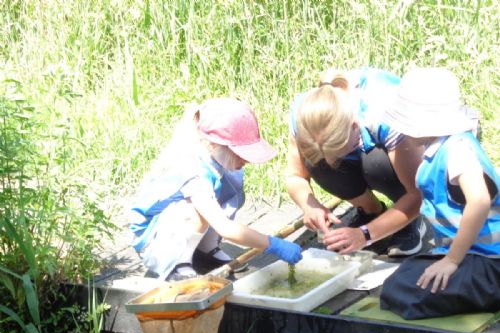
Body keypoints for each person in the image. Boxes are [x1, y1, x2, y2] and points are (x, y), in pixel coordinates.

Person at [129, 97, 302, 281]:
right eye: (239, 153)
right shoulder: (192, 171)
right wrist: (272, 244)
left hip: (175, 229)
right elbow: (225, 227)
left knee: (231, 186)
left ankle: (205, 251)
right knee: (194, 213)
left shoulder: (213, 161)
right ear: (213, 143)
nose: (246, 160)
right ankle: (176, 264)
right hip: (154, 240)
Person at [380, 67, 500, 319]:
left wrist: (452, 260)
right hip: (472, 254)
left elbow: (478, 201)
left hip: (490, 262)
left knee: (406, 292)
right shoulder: (442, 147)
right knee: (404, 280)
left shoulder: (458, 149)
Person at [286, 67, 425, 256]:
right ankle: (372, 212)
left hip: (412, 152)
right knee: (316, 164)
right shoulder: (305, 115)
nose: (331, 161)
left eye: (338, 151)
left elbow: (419, 192)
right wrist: (310, 205)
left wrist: (365, 235)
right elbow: (295, 176)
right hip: (366, 143)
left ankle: (408, 221)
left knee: (375, 163)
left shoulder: (385, 112)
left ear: (354, 126)